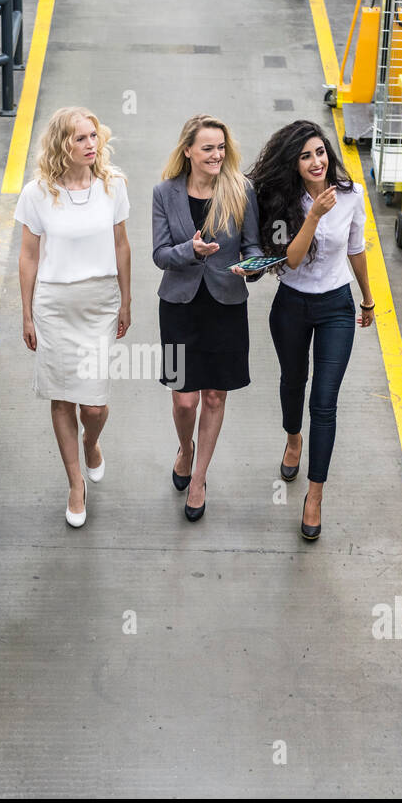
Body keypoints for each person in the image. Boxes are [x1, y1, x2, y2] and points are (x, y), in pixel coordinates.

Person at [246, 120, 375, 542]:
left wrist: (367, 298)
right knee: (293, 381)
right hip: (292, 304)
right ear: (294, 165)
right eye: (305, 156)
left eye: (320, 152)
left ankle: (315, 495)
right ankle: (292, 437)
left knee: (324, 400)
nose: (316, 161)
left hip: (336, 305)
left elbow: (356, 247)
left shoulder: (352, 195)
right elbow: (294, 260)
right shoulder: (283, 202)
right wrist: (315, 214)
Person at [17, 106, 132, 528]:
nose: (91, 145)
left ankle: (92, 443)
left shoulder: (113, 185)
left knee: (95, 403)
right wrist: (26, 312)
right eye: (81, 138)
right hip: (53, 304)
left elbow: (122, 245)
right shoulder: (37, 193)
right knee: (62, 397)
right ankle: (75, 484)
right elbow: (28, 256)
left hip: (99, 302)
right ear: (62, 144)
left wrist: (126, 299)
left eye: (94, 136)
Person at [151, 114, 262, 522]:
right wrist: (190, 251)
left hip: (226, 304)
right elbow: (160, 254)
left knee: (214, 396)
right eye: (207, 148)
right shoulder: (165, 193)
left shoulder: (241, 190)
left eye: (220, 148)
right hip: (180, 305)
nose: (216, 155)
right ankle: (185, 448)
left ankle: (198, 480)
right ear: (188, 151)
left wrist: (252, 267)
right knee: (184, 399)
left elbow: (252, 247)